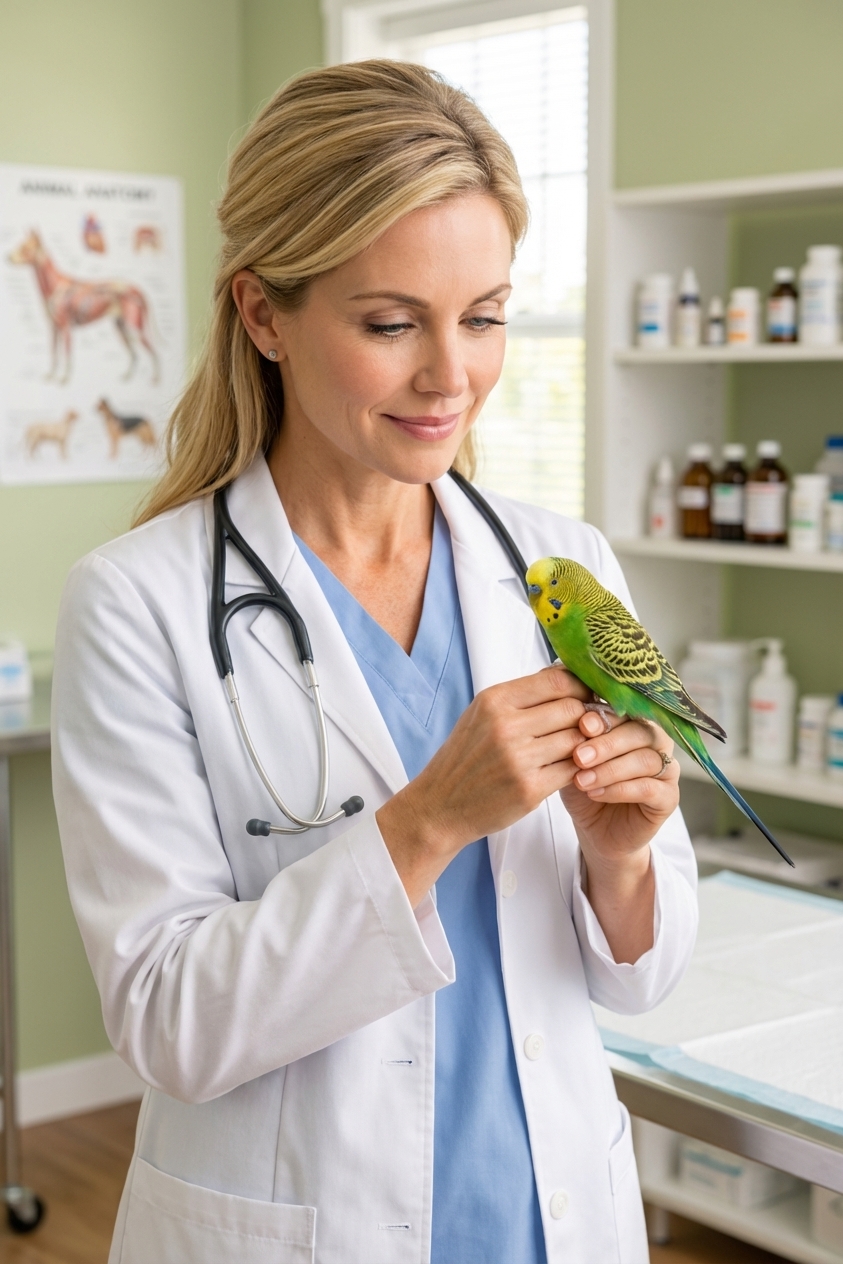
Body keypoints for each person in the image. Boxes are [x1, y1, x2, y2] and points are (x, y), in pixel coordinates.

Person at [52, 61, 697, 1264]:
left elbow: (642, 979)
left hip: (549, 1219)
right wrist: (427, 822)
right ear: (262, 314)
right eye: (392, 323)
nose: (452, 376)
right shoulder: (137, 604)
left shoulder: (564, 563)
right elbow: (169, 1020)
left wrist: (625, 860)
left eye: (486, 315)